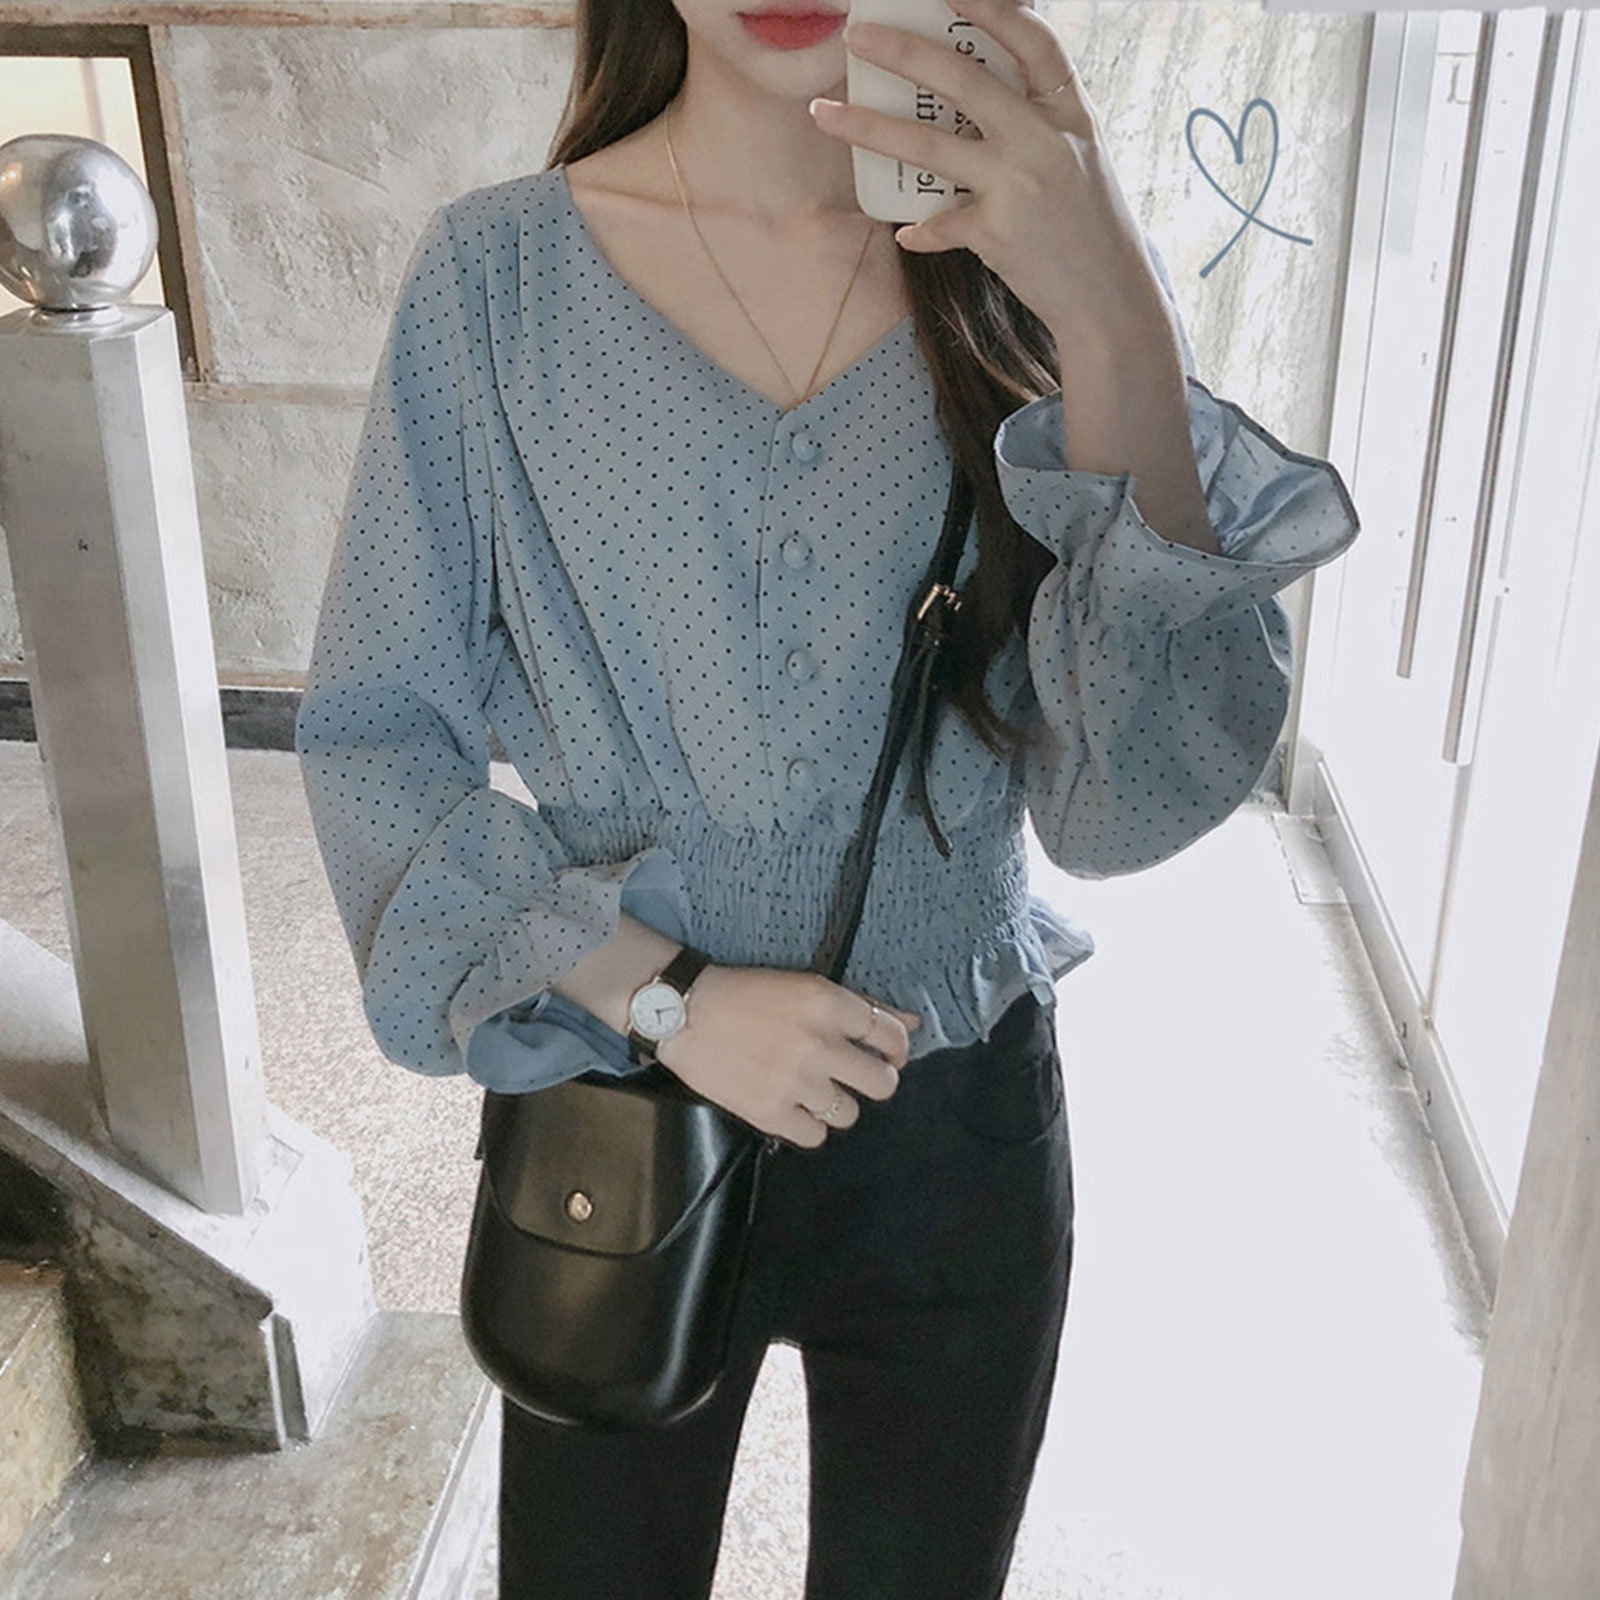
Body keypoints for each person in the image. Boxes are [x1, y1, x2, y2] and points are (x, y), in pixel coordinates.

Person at [294, 0, 1361, 1593]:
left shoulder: (1028, 268)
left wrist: (1113, 310)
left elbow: (1119, 806)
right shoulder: (497, 283)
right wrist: (662, 995)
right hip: (624, 1101)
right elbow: (378, 734)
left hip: (960, 1129)